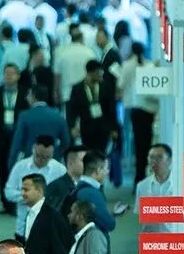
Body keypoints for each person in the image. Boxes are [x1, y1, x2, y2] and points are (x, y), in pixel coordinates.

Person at [0, 62, 29, 216]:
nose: (9, 77)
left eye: (12, 74)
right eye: (6, 74)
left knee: (18, 169)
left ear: (18, 76)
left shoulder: (24, 93)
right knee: (2, 170)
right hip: (0, 137)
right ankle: (6, 202)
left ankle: (18, 200)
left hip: (17, 137)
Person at [4, 135, 68, 241]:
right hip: (23, 228)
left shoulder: (60, 170)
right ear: (33, 149)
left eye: (47, 157)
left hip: (50, 229)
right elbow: (8, 192)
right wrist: (26, 196)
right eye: (39, 156)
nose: (42, 160)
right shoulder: (20, 167)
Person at [120, 42, 160, 184]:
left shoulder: (127, 65)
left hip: (132, 106)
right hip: (146, 110)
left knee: (135, 142)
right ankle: (142, 176)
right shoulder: (149, 66)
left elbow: (120, 84)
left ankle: (136, 172)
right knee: (145, 144)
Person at [9, 85, 71, 168]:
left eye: (29, 95)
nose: (26, 98)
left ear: (34, 97)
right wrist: (57, 153)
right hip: (52, 160)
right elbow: (66, 142)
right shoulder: (58, 115)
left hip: (31, 161)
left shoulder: (24, 116)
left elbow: (16, 143)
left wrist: (11, 165)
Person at [67, 59, 119, 154]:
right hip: (86, 128)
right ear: (90, 73)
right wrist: (72, 126)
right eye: (98, 72)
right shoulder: (77, 88)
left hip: (103, 128)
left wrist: (114, 128)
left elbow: (112, 109)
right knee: (87, 154)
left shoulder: (106, 87)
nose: (100, 75)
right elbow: (72, 110)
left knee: (101, 155)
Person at [134, 144, 177, 233]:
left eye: (159, 157)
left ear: (169, 160)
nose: (154, 161)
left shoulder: (179, 184)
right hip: (151, 238)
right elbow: (140, 216)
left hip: (174, 238)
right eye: (151, 157)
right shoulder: (142, 186)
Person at [45, 145, 87, 214]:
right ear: (70, 163)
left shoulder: (86, 185)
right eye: (83, 160)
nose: (87, 164)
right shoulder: (56, 187)